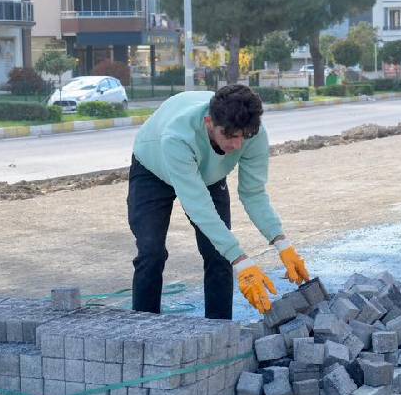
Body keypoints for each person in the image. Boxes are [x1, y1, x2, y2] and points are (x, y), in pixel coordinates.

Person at [128, 84, 311, 319]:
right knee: (151, 253)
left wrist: (282, 243)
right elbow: (198, 206)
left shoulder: (252, 132)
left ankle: (220, 330)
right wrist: (242, 261)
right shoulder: (178, 136)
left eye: (243, 137)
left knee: (219, 254)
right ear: (209, 123)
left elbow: (253, 193)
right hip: (153, 167)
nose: (237, 145)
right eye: (230, 136)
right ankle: (144, 327)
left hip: (208, 174)